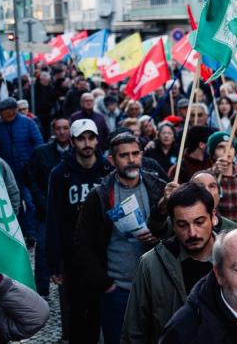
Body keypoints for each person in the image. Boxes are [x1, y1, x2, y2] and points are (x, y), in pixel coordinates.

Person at [73, 132, 167, 344]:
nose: (132, 159)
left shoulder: (158, 187)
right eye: (124, 155)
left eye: (135, 153)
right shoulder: (100, 195)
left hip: (155, 289)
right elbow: (82, 243)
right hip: (118, 289)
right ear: (112, 160)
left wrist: (158, 235)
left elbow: (173, 232)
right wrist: (105, 284)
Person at [122, 183, 217, 343]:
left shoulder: (233, 257)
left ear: (213, 217)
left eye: (199, 222)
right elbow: (134, 331)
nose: (192, 233)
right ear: (172, 223)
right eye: (182, 225)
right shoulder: (151, 264)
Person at [46, 118, 113, 344]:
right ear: (73, 141)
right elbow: (53, 216)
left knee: (101, 308)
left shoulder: (107, 170)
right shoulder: (60, 173)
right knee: (75, 310)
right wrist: (54, 262)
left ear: (97, 140)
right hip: (72, 253)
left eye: (91, 138)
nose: (87, 143)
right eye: (81, 139)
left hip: (103, 251)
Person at [25, 116, 72, 295]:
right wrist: (40, 200)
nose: (61, 132)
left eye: (65, 128)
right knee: (44, 248)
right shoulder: (41, 152)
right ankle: (41, 288)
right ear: (53, 131)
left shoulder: (76, 152)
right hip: (45, 209)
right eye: (58, 128)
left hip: (69, 209)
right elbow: (31, 178)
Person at [0, 96, 44, 243]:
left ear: (10, 112)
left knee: (30, 202)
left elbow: (39, 144)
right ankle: (20, 231)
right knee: (15, 203)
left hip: (28, 173)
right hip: (10, 174)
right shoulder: (0, 126)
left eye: (1, 111)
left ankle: (32, 232)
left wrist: (32, 164)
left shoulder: (28, 123)